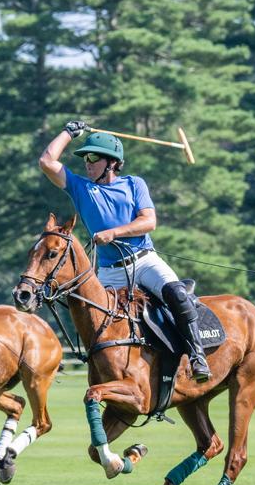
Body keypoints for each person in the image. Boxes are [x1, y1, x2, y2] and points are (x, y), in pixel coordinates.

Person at [38, 120, 210, 381]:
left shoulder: (134, 184)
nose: (87, 162)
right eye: (85, 157)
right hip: (109, 272)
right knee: (89, 315)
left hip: (144, 261)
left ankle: (197, 356)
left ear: (112, 162)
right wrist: (69, 133)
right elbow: (47, 162)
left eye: (93, 157)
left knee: (176, 293)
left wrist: (114, 232)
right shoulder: (82, 188)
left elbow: (148, 221)